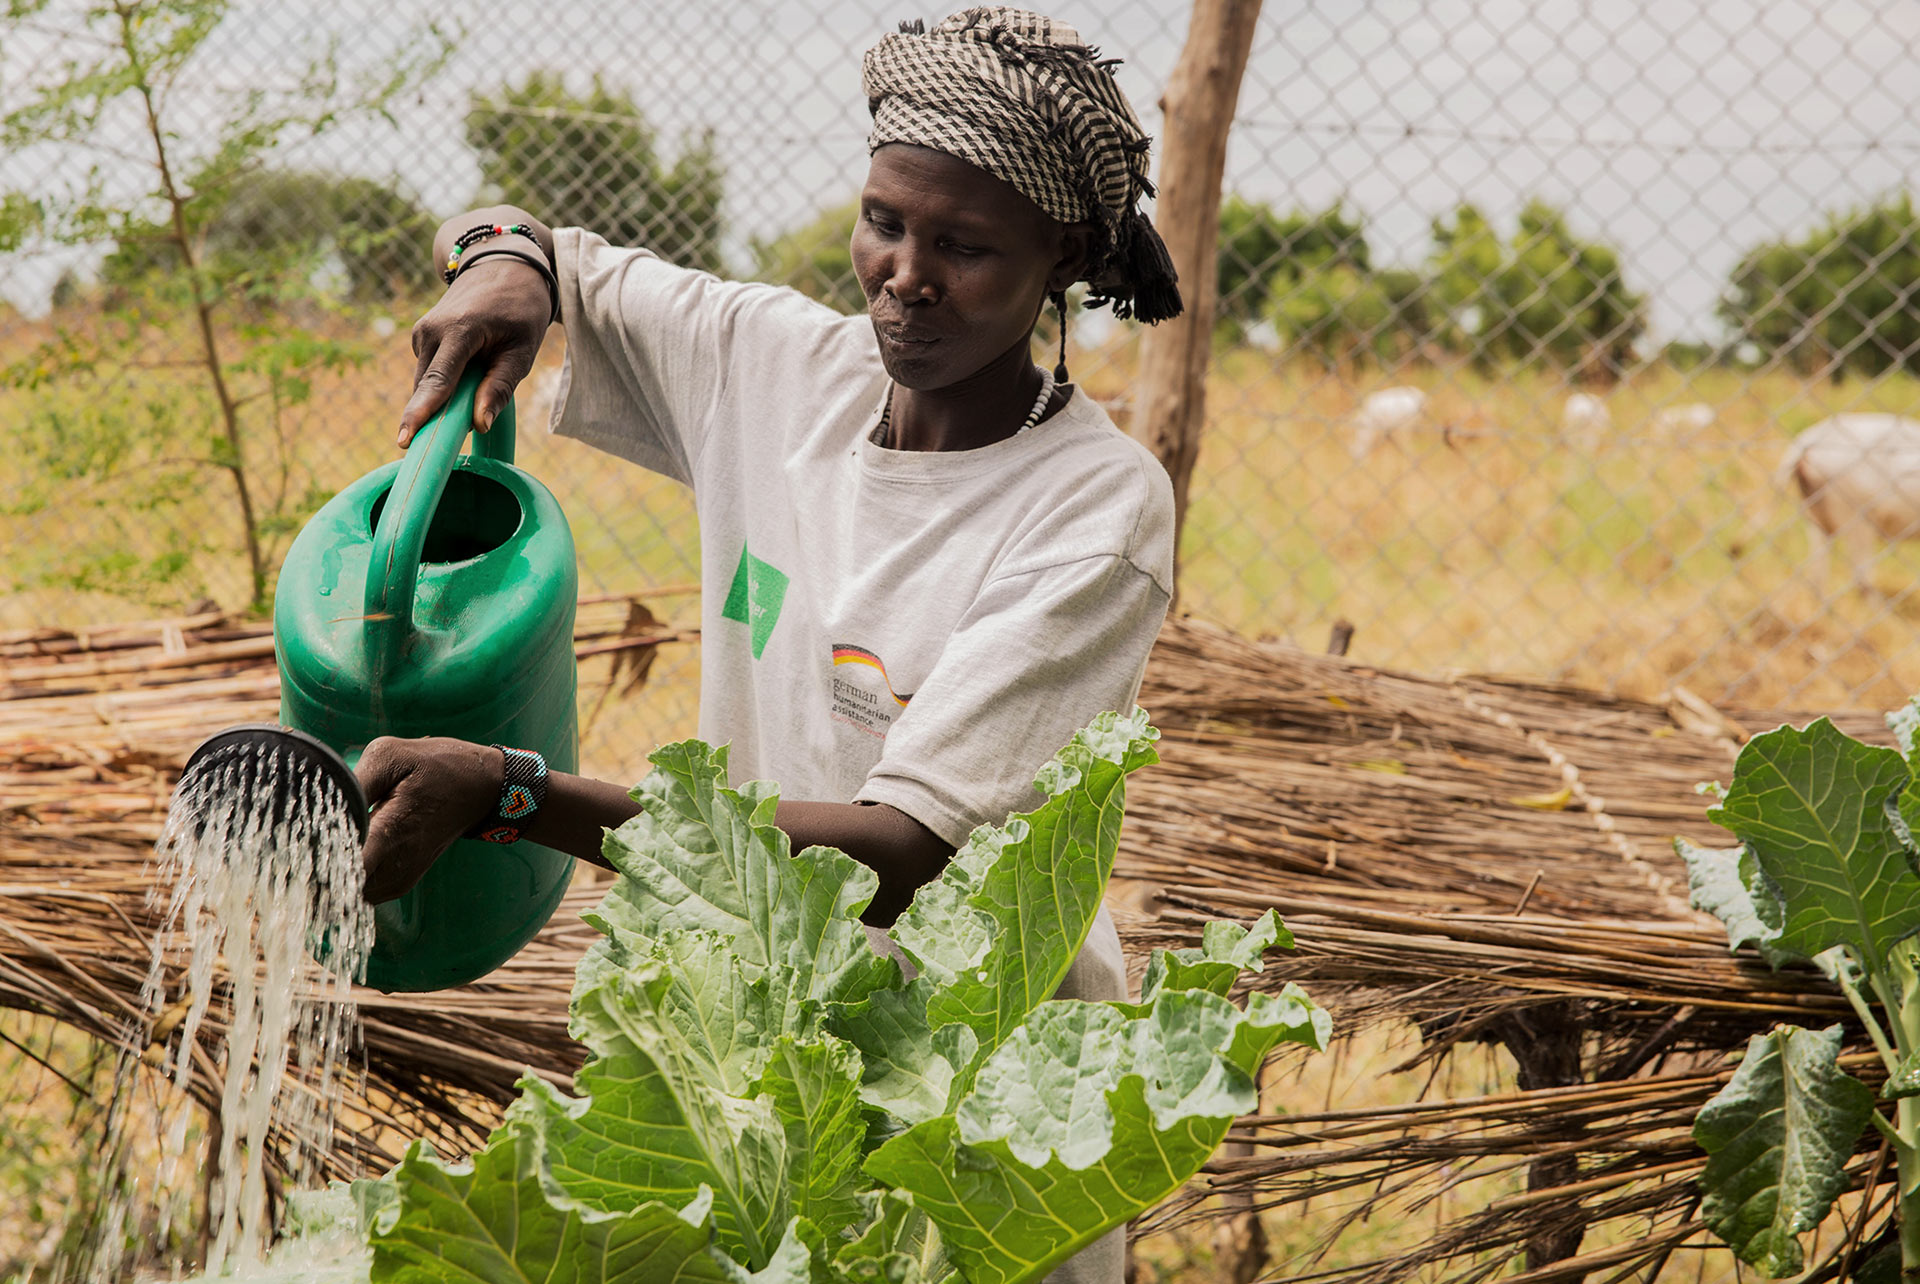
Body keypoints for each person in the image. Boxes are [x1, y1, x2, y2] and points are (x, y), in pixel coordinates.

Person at [356, 9, 1179, 1280]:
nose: (904, 274)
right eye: (885, 221)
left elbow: (904, 862)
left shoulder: (1094, 512)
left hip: (973, 1123)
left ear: (1059, 254)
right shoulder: (783, 372)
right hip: (760, 1076)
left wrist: (515, 794)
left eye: (962, 246)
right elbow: (531, 245)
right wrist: (502, 267)